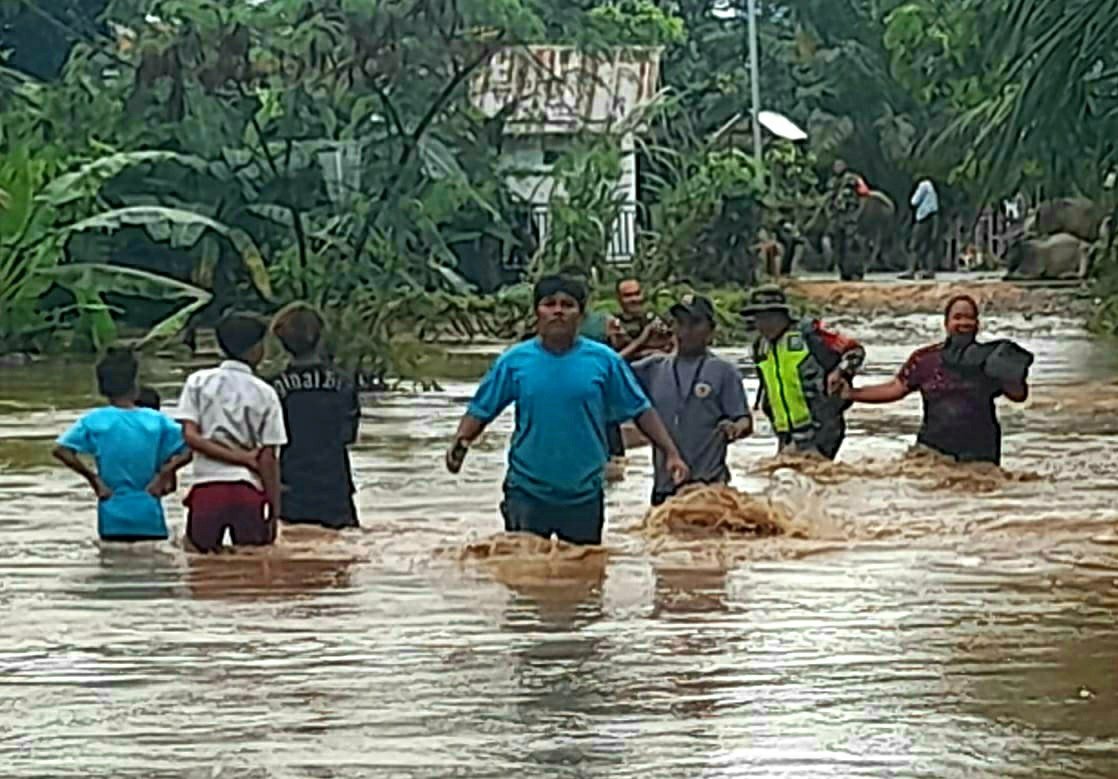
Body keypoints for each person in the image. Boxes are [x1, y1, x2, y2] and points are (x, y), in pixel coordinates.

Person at [445, 274, 690, 545]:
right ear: (537, 312)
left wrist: (671, 453)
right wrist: (461, 442)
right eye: (550, 304)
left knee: (584, 576)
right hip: (527, 491)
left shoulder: (605, 361)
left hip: (584, 493)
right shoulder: (514, 362)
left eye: (567, 304)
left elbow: (640, 410)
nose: (558, 311)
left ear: (581, 315)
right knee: (525, 575)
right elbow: (482, 409)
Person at [844, 295, 1030, 465]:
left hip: (979, 453)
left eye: (969, 318)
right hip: (932, 452)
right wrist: (852, 393)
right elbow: (895, 388)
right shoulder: (925, 359)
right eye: (958, 317)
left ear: (977, 324)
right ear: (946, 323)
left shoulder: (990, 358)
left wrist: (1012, 375)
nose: (964, 323)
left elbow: (1018, 396)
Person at [52, 349, 192, 542]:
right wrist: (165, 474)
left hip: (111, 515)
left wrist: (94, 479)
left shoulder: (94, 421)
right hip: (149, 513)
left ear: (102, 387)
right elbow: (192, 445)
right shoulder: (157, 421)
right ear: (135, 385)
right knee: (154, 566)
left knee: (112, 565)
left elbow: (61, 450)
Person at [176, 313, 288, 553]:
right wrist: (275, 512)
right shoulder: (265, 392)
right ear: (256, 349)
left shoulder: (197, 382)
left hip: (207, 490)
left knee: (200, 568)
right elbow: (268, 458)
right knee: (252, 567)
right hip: (247, 490)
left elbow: (190, 437)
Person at [631, 294, 753, 506]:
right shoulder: (652, 368)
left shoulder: (724, 372)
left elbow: (745, 420)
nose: (686, 330)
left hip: (710, 488)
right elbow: (605, 371)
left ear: (711, 330)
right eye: (680, 323)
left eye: (695, 323)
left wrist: (734, 428)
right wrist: (641, 342)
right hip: (665, 487)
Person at [742, 286, 865, 459]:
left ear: (782, 316)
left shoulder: (810, 335)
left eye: (768, 317)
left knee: (813, 477)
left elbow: (855, 351)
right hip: (785, 433)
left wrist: (840, 372)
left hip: (821, 428)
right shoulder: (760, 348)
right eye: (758, 318)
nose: (762, 324)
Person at [270, 303, 361, 530]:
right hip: (335, 484)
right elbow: (349, 435)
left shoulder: (272, 388)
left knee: (293, 554)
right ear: (320, 337)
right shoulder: (343, 383)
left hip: (291, 485)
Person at [826, 160, 868, 281]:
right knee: (838, 245)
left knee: (853, 245)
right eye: (836, 166)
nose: (837, 168)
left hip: (850, 218)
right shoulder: (832, 182)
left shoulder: (853, 179)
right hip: (837, 218)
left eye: (840, 166)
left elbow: (864, 193)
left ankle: (857, 271)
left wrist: (857, 214)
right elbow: (829, 199)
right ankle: (843, 271)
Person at [611, 278, 673, 360]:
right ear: (619, 298)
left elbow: (672, 344)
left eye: (637, 294)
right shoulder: (615, 323)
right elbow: (618, 357)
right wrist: (645, 335)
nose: (634, 299)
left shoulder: (654, 317)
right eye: (628, 295)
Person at [904, 175, 941, 279]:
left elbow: (914, 201)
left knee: (914, 245)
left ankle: (911, 270)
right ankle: (930, 271)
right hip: (934, 217)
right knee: (929, 245)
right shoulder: (932, 188)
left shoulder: (923, 185)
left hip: (923, 218)